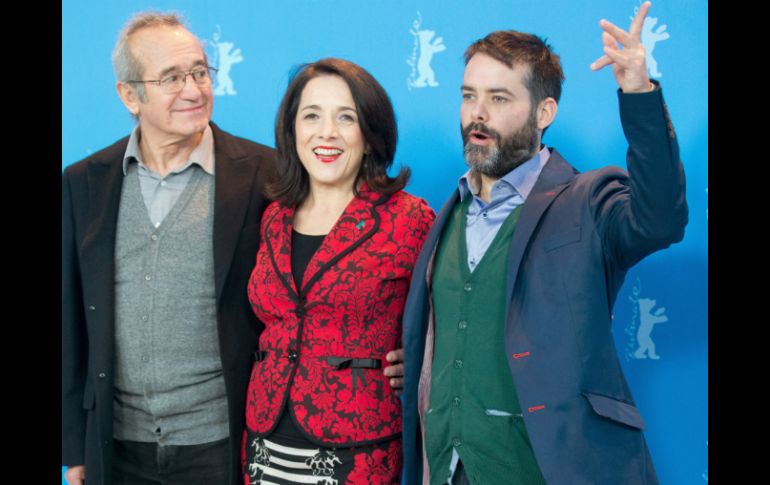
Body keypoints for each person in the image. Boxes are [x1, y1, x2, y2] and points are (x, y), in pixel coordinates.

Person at [61, 13, 406, 485]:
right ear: (129, 95)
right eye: (171, 78)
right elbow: (71, 322)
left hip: (223, 443)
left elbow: (339, 273)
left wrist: (407, 355)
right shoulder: (83, 183)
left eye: (200, 72)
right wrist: (73, 448)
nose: (193, 89)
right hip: (116, 444)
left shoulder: (267, 177)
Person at [400, 3, 688, 484]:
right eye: (469, 95)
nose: (478, 112)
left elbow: (660, 218)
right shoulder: (448, 213)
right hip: (451, 469)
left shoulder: (588, 201)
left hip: (554, 468)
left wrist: (637, 92)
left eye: (498, 98)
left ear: (544, 111)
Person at [242, 58, 435, 484]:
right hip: (265, 440)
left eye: (345, 117)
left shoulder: (408, 218)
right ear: (292, 130)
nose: (326, 132)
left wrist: (424, 360)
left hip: (359, 447)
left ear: (369, 136)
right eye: (312, 116)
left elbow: (451, 319)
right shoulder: (273, 216)